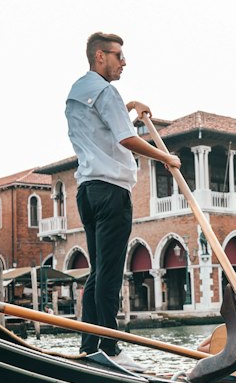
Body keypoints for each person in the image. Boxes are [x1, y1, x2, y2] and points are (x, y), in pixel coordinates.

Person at [66, 32, 180, 357]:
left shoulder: (76, 94)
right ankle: (110, 347)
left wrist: (128, 105)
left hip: (87, 192)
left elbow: (101, 132)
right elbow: (125, 138)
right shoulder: (106, 91)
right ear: (100, 57)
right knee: (111, 274)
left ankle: (89, 346)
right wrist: (166, 157)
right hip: (112, 192)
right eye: (118, 56)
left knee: (97, 272)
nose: (124, 62)